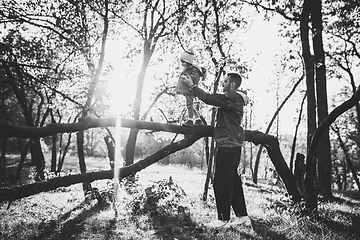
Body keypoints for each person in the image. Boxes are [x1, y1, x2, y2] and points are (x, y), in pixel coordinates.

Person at [181, 72, 252, 230]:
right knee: (232, 180)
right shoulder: (235, 99)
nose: (223, 84)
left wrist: (192, 86)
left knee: (221, 181)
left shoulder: (232, 97)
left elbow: (209, 98)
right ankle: (243, 216)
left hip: (228, 145)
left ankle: (222, 219)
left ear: (232, 84)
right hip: (232, 144)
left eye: (225, 81)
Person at [175, 48, 206, 126]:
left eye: (183, 62)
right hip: (187, 90)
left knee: (189, 105)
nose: (182, 63)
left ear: (188, 62)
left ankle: (190, 120)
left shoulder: (193, 70)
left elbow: (195, 77)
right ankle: (198, 119)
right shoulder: (188, 69)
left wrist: (186, 76)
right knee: (190, 105)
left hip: (190, 90)